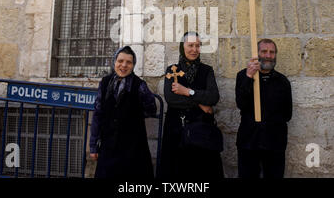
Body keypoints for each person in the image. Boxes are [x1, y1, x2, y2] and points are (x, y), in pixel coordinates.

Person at [159, 31, 224, 180]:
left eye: (197, 46)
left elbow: (213, 97)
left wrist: (188, 91)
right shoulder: (172, 70)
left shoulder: (207, 71)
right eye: (190, 45)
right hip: (176, 129)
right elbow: (172, 98)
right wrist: (201, 104)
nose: (194, 49)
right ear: (183, 47)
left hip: (201, 130)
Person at [89, 46, 157, 179]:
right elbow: (98, 114)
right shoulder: (105, 83)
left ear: (133, 65)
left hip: (133, 148)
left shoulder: (140, 85)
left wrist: (131, 117)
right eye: (120, 61)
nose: (124, 65)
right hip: (109, 146)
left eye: (128, 62)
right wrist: (93, 146)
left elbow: (151, 109)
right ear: (114, 62)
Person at [235, 38, 292, 178]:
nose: (268, 55)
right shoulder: (243, 76)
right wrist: (249, 76)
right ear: (257, 53)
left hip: (274, 142)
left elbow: (287, 114)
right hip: (249, 140)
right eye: (264, 51)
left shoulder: (282, 81)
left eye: (272, 52)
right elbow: (240, 104)